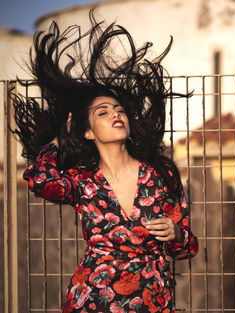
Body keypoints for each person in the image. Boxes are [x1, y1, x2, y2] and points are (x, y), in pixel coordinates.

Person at [13, 10, 198, 313]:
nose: (115, 114)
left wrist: (176, 234)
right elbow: (39, 179)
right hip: (93, 299)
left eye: (119, 109)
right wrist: (57, 142)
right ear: (87, 132)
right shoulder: (82, 180)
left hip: (151, 301)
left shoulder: (160, 174)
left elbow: (188, 247)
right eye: (102, 112)